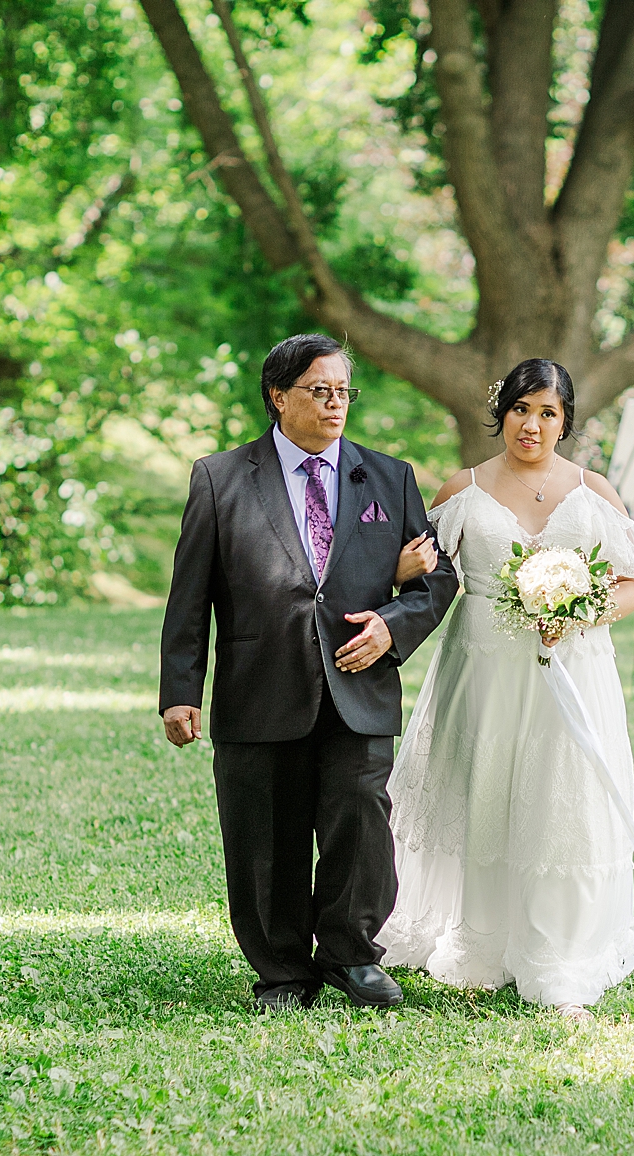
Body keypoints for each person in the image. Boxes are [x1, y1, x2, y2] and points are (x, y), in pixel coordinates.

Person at [159, 333, 458, 1012]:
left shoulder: (389, 477)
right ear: (278, 396)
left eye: (343, 391)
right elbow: (190, 592)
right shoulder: (221, 477)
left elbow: (437, 579)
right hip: (258, 687)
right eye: (319, 391)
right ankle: (283, 970)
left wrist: (391, 625)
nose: (334, 404)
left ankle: (352, 956)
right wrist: (180, 690)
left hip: (360, 685)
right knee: (265, 832)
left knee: (361, 821)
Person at [378, 358, 634, 1018]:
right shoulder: (464, 489)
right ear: (501, 411)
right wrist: (396, 569)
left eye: (548, 412)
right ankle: (482, 942)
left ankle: (559, 951)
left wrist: (577, 610)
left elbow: (633, 582)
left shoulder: (594, 492)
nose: (532, 424)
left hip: (572, 672)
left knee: (559, 798)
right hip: (483, 673)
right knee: (488, 791)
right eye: (521, 409)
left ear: (565, 423)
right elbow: (421, 578)